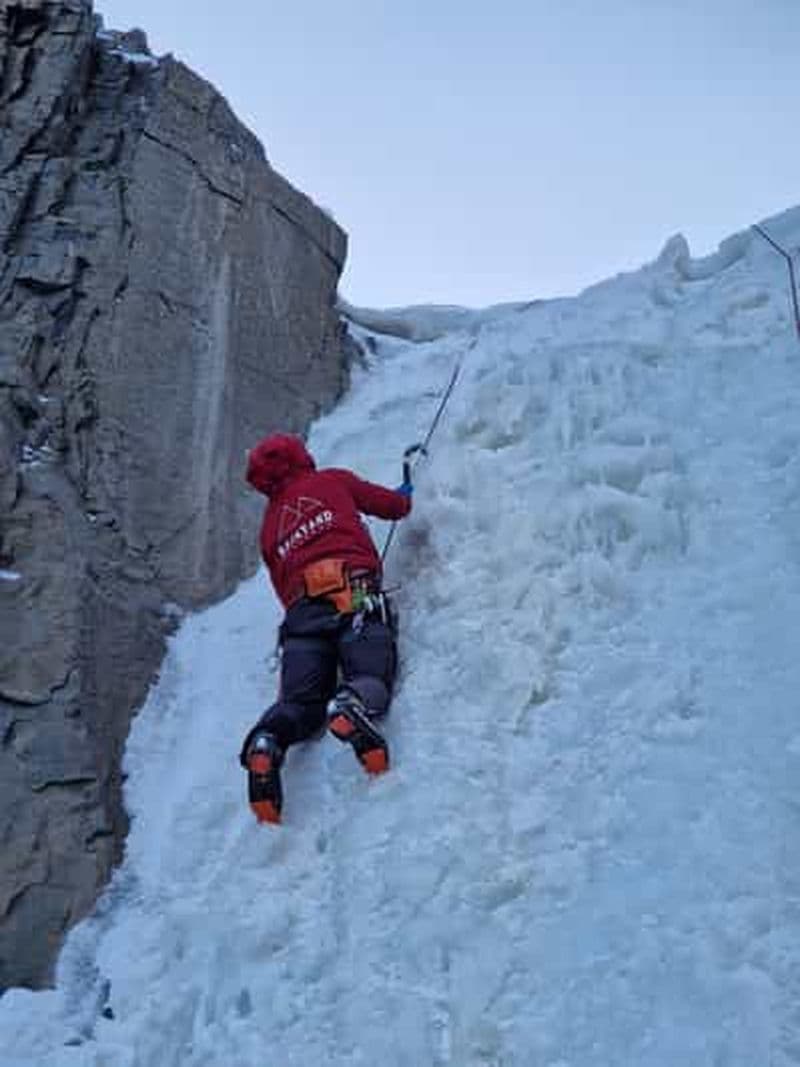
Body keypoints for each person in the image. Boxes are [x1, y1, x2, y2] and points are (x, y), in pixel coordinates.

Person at [239, 432, 413, 824]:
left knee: (300, 704)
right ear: (301, 458)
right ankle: (352, 706)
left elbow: (282, 587)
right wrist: (404, 492)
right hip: (352, 594)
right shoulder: (332, 481)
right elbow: (393, 507)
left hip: (301, 616)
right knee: (369, 672)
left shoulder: (269, 529)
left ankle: (268, 741)